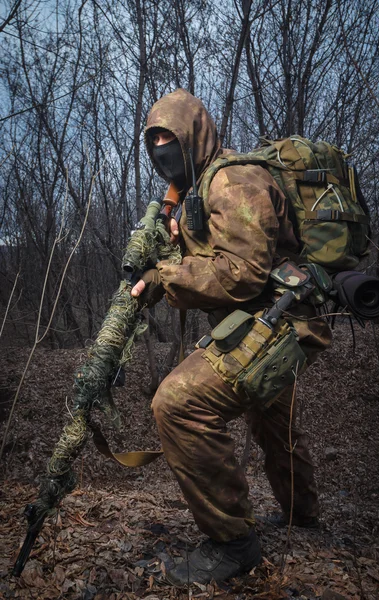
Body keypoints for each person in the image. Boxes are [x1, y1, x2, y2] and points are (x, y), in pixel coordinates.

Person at [131, 88, 332, 587]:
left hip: (277, 318)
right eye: (152, 140)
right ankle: (301, 515)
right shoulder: (198, 187)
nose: (161, 150)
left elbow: (243, 272)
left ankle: (232, 543)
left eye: (169, 138)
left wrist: (165, 277)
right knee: (274, 423)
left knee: (178, 405)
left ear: (194, 135)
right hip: (272, 317)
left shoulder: (231, 180)